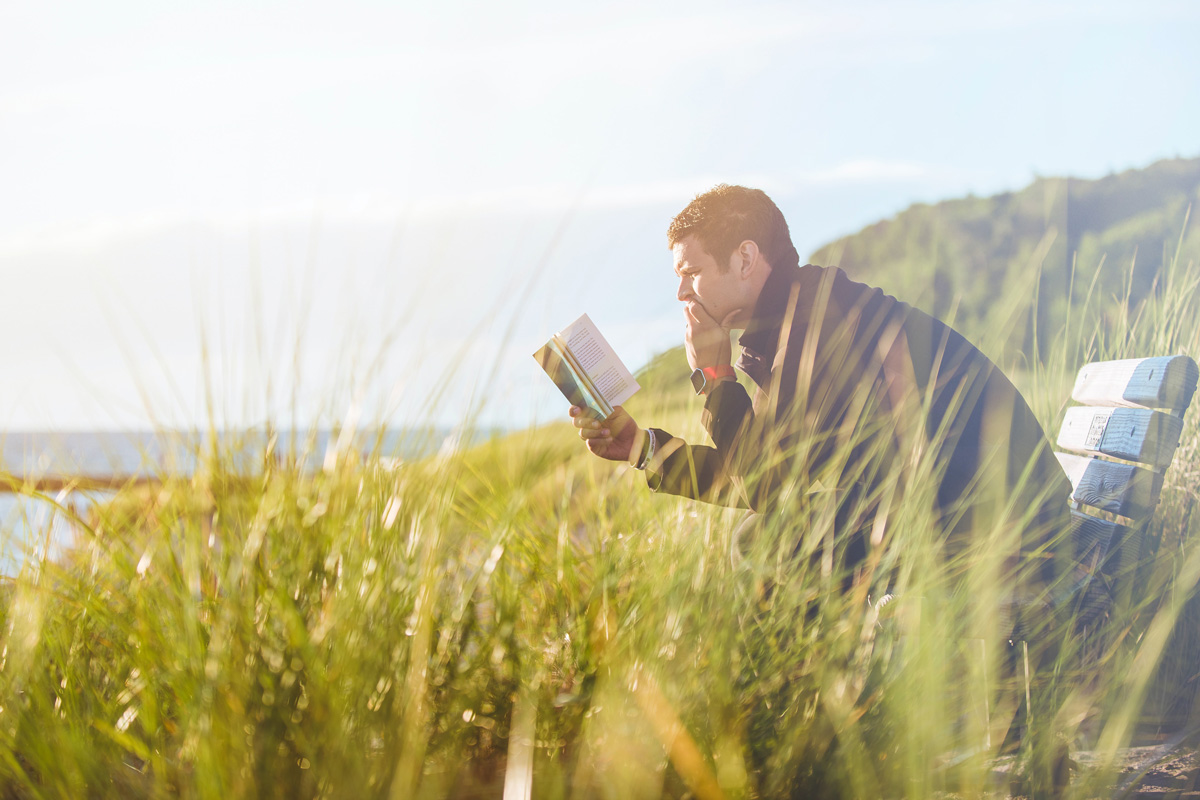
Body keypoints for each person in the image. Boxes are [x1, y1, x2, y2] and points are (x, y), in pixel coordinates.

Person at [570, 183, 1073, 612]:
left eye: (691, 271)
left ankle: (818, 717)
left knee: (766, 540)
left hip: (1010, 539)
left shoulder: (820, 325)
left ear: (745, 258)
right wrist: (641, 447)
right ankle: (822, 710)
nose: (681, 292)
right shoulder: (796, 319)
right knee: (772, 533)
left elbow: (765, 485)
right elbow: (767, 478)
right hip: (968, 520)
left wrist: (718, 376)